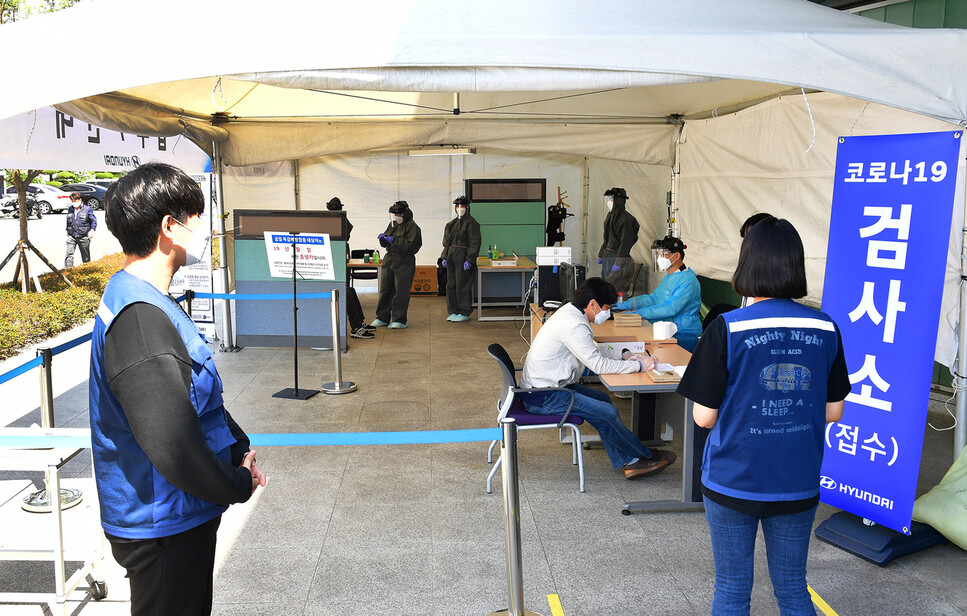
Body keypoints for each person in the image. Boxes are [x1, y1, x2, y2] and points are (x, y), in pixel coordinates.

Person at [89, 163, 266, 616]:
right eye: (196, 218)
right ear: (170, 227)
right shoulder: (141, 322)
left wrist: (236, 447)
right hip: (162, 525)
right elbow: (174, 446)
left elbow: (194, 399)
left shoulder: (146, 297)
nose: (204, 230)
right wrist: (237, 483)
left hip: (177, 513)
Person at [676, 218, 849, 616]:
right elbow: (833, 411)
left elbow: (704, 417)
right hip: (797, 479)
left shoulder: (726, 328)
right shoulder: (826, 328)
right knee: (792, 589)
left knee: (733, 591)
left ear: (747, 265)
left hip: (732, 477)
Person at [520, 277, 677, 480]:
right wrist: (639, 365)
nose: (607, 312)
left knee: (603, 401)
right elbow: (598, 365)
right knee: (607, 412)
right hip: (543, 396)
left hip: (546, 388)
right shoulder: (573, 324)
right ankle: (645, 455)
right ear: (592, 304)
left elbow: (590, 350)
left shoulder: (571, 313)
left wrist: (624, 356)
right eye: (606, 307)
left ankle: (629, 462)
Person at [613, 235, 702, 352]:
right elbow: (653, 299)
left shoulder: (688, 281)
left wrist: (639, 313)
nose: (660, 257)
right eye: (659, 254)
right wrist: (627, 304)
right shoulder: (670, 277)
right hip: (666, 331)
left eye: (664, 253)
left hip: (682, 334)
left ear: (677, 256)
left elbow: (670, 308)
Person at [327, 196, 374, 339]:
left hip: (339, 267)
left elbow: (346, 234)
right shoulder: (323, 223)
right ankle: (355, 328)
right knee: (346, 293)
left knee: (351, 290)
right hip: (327, 278)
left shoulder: (343, 221)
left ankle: (359, 323)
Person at [372, 200, 423, 329]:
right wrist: (383, 240)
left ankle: (399, 319)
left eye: (399, 214)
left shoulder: (413, 227)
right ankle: (382, 317)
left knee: (401, 291)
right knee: (385, 289)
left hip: (404, 261)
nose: (397, 217)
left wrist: (394, 240)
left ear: (405, 213)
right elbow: (387, 242)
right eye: (395, 214)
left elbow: (411, 246)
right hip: (389, 259)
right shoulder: (392, 224)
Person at [440, 195, 481, 322]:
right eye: (457, 206)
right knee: (451, 284)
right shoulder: (451, 224)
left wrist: (470, 259)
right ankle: (453, 310)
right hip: (452, 254)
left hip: (463, 256)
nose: (460, 208)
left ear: (467, 207)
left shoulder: (472, 223)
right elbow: (447, 242)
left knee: (462, 285)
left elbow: (474, 243)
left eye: (462, 206)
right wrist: (444, 256)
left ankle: (463, 311)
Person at [597, 187, 640, 293]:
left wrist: (619, 261)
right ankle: (606, 306)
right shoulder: (610, 216)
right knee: (605, 285)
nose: (609, 202)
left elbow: (625, 243)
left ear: (618, 201)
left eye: (612, 199)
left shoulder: (627, 220)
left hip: (618, 257)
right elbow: (607, 237)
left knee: (613, 287)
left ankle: (615, 307)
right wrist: (602, 253)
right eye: (609, 199)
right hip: (608, 256)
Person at [65, 191, 96, 267]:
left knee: (85, 256)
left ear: (80, 200)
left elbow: (93, 220)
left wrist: (92, 230)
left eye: (75, 201)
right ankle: (68, 270)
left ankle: (87, 269)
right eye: (72, 201)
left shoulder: (87, 209)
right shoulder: (70, 209)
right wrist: (67, 230)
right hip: (72, 235)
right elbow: (69, 220)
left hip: (83, 235)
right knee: (69, 254)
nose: (74, 203)